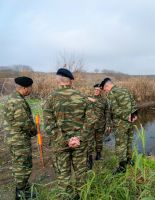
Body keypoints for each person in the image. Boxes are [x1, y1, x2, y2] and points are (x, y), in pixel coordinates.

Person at [43, 68, 93, 199]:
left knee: (63, 176)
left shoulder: (51, 98)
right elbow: (91, 120)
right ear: (71, 81)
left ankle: (67, 197)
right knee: (81, 174)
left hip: (60, 145)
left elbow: (49, 125)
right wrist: (78, 138)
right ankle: (82, 196)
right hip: (80, 144)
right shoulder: (82, 97)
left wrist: (65, 140)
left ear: (57, 81)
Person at [3, 76, 37, 200]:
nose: (31, 89)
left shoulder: (12, 98)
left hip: (13, 138)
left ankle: (22, 187)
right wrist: (34, 131)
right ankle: (21, 193)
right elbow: (25, 123)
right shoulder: (18, 102)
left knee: (18, 164)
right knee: (23, 165)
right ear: (24, 88)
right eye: (30, 87)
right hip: (19, 140)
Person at [101, 77, 138, 174]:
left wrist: (127, 117)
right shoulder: (125, 90)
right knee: (129, 141)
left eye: (105, 89)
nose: (105, 92)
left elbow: (114, 109)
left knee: (120, 144)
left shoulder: (111, 94)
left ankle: (122, 167)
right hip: (130, 123)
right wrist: (134, 115)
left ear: (107, 86)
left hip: (121, 124)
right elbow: (133, 103)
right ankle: (130, 160)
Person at [86, 83, 111, 169]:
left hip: (101, 124)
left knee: (99, 141)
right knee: (89, 142)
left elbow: (107, 113)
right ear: (93, 90)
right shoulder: (87, 98)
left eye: (98, 90)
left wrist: (108, 124)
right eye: (95, 89)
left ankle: (98, 155)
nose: (97, 91)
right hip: (90, 125)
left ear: (101, 91)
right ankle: (89, 159)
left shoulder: (104, 100)